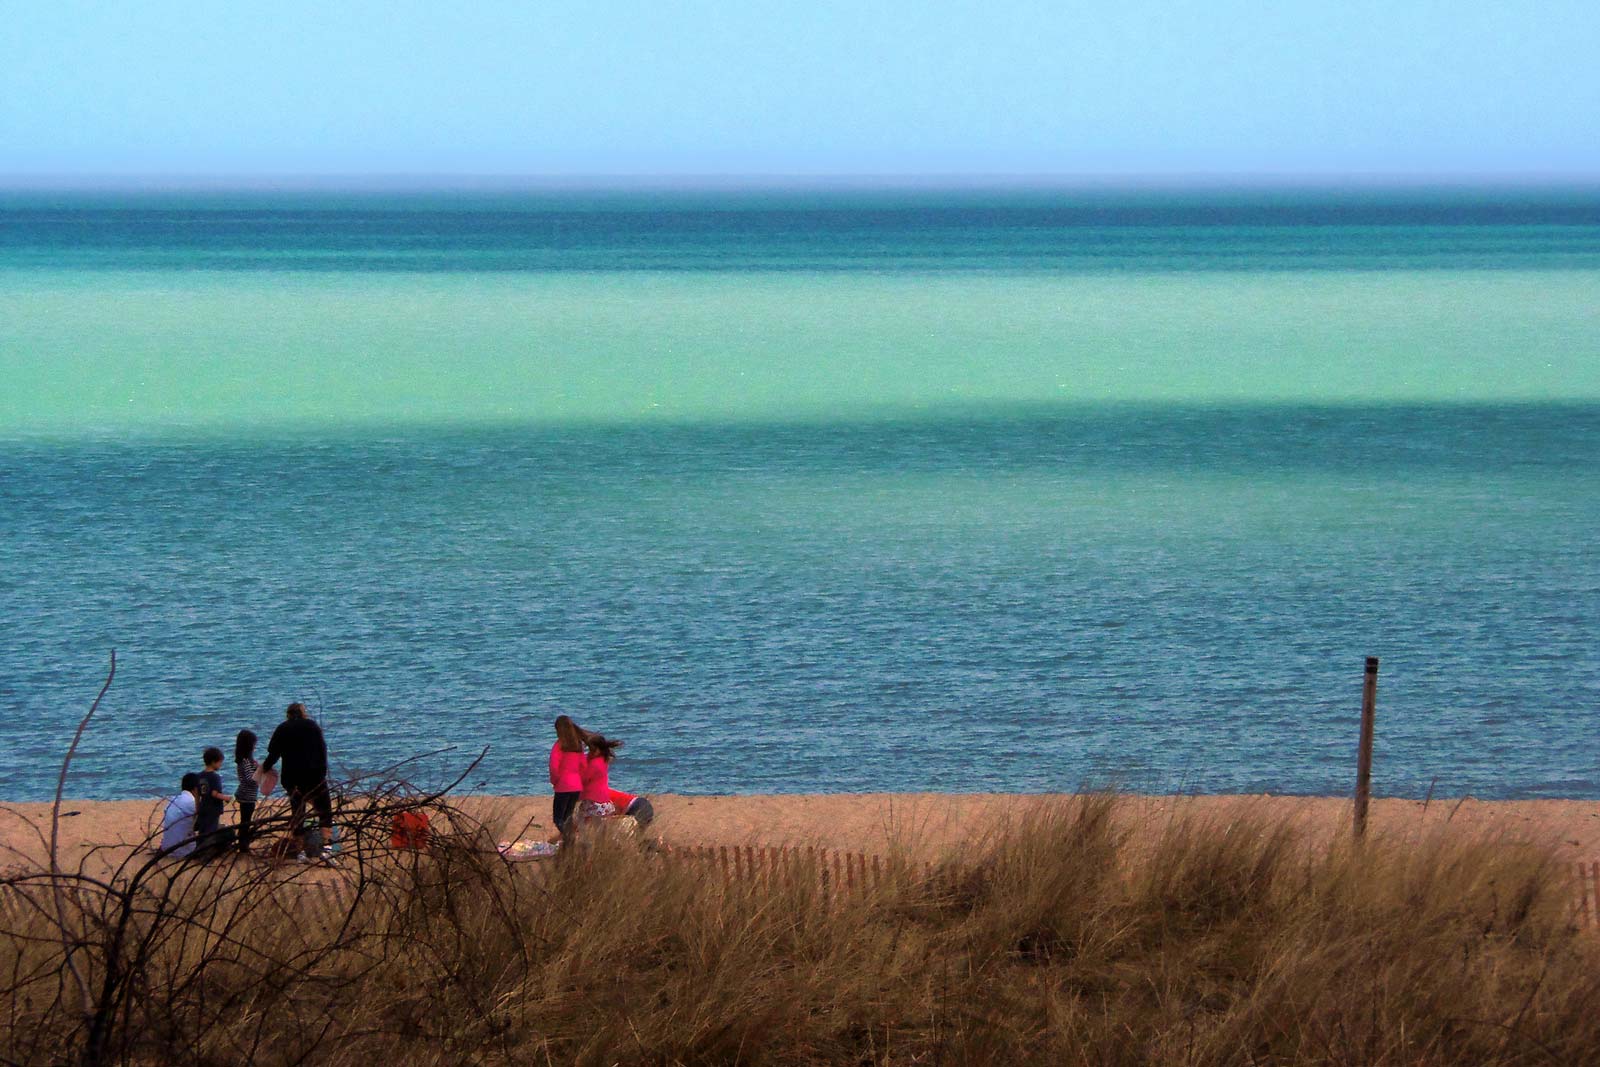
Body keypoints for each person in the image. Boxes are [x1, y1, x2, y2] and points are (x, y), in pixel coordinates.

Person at [260, 701, 334, 863]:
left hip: (292, 779)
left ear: (288, 714)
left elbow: (273, 755)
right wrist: (322, 775)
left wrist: (264, 768)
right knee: (324, 811)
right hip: (315, 776)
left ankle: (300, 852)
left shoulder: (282, 728)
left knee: (298, 813)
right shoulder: (313, 727)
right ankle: (327, 849)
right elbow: (323, 752)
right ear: (303, 713)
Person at [548, 715, 588, 843]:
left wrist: (555, 781)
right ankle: (569, 841)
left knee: (558, 818)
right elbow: (583, 766)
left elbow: (554, 767)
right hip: (576, 785)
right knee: (568, 817)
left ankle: (570, 839)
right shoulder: (577, 746)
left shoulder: (559, 746)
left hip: (563, 785)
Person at [577, 734, 623, 825]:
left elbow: (584, 779)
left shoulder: (595, 764)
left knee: (582, 823)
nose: (590, 752)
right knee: (598, 826)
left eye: (593, 750)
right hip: (604, 801)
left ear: (600, 749)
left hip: (593, 801)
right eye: (589, 749)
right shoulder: (603, 760)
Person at [159, 773, 201, 859]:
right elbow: (206, 821)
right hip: (184, 851)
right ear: (195, 789)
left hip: (166, 848)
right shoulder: (192, 803)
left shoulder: (172, 800)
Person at [234, 729, 260, 853]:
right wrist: (259, 774)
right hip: (247, 795)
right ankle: (243, 845)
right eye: (254, 744)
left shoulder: (247, 761)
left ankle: (243, 843)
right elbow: (250, 779)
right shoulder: (245, 762)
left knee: (246, 820)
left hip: (248, 794)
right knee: (245, 821)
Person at [195, 747, 228, 840]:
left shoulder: (199, 776)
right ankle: (206, 850)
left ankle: (200, 848)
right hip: (213, 808)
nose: (220, 765)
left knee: (202, 831)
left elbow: (197, 794)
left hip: (203, 807)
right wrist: (227, 798)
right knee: (211, 831)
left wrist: (197, 808)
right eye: (220, 762)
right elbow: (214, 794)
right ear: (214, 762)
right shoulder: (215, 777)